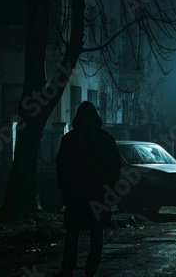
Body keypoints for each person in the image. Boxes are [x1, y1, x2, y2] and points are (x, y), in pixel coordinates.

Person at [54, 101, 122, 277]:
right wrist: (109, 189)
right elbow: (115, 168)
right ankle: (91, 269)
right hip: (99, 195)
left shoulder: (69, 139)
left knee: (73, 233)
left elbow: (61, 167)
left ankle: (68, 268)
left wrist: (65, 190)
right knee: (96, 233)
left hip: (75, 195)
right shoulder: (106, 139)